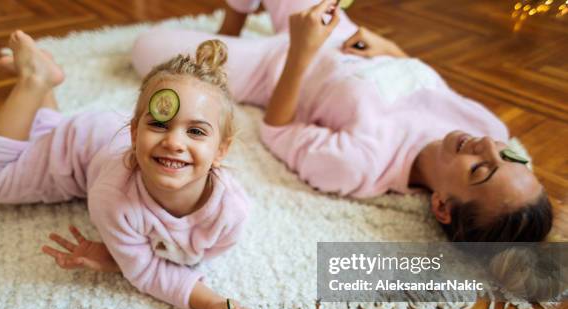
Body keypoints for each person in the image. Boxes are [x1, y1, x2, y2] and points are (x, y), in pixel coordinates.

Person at [130, 0, 553, 245]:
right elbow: (422, 74)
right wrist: (389, 48)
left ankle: (232, 44)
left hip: (276, 64)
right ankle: (231, 26)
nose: (486, 145)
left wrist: (301, 48)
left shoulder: (362, 165)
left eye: (481, 169)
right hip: (338, 32)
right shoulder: (489, 127)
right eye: (508, 154)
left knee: (146, 50)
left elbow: (276, 129)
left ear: (441, 205)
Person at [0, 30, 253, 309]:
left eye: (196, 131)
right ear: (134, 131)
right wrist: (207, 300)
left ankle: (45, 79)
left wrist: (214, 304)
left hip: (101, 138)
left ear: (221, 151)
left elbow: (162, 264)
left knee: (44, 131)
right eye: (158, 124)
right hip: (77, 145)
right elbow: (147, 272)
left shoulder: (232, 212)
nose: (173, 142)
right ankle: (33, 80)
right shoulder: (115, 196)